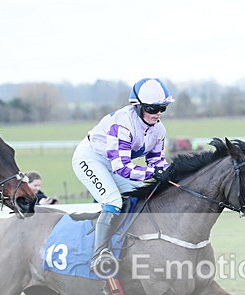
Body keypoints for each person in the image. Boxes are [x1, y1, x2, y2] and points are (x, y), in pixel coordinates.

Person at [71, 77, 174, 279]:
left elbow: (157, 162)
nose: (158, 113)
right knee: (113, 201)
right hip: (91, 159)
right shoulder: (123, 124)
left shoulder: (159, 130)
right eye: (152, 109)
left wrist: (171, 174)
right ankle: (99, 255)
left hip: (115, 163)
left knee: (142, 196)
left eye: (163, 108)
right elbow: (122, 168)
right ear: (138, 107)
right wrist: (153, 174)